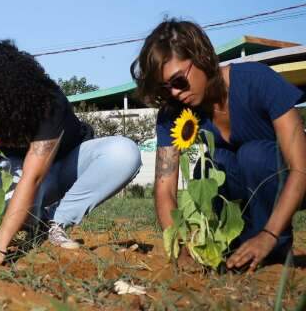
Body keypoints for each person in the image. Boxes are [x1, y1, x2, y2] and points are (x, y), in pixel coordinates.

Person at [0, 40, 142, 266]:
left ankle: (56, 222)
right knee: (14, 203)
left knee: (124, 153)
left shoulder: (46, 102)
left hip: (68, 166)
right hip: (22, 175)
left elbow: (33, 178)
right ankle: (36, 221)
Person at [131, 19, 306, 270]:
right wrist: (180, 248)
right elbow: (165, 189)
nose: (175, 94)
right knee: (215, 164)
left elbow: (301, 167)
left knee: (252, 155)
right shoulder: (174, 114)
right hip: (242, 196)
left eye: (179, 81)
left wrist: (268, 235)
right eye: (165, 88)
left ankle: (275, 253)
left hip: (292, 184)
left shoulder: (256, 81)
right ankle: (238, 247)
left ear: (201, 58)